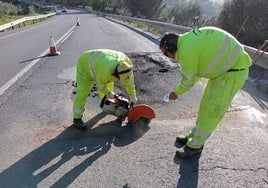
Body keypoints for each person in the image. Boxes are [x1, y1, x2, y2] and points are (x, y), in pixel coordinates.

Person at [159, 26, 252, 158]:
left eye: (166, 53)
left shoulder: (186, 51)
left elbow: (188, 80)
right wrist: (178, 91)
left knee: (212, 110)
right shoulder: (188, 40)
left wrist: (176, 92)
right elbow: (196, 73)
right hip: (224, 72)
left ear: (171, 48)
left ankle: (195, 147)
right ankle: (194, 137)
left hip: (232, 73)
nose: (168, 57)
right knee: (205, 107)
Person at [73, 49, 137, 131]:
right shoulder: (105, 72)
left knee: (109, 85)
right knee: (82, 91)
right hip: (85, 64)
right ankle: (77, 119)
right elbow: (100, 85)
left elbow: (130, 81)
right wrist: (109, 93)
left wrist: (132, 95)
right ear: (115, 73)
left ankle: (107, 106)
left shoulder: (127, 64)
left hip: (102, 63)